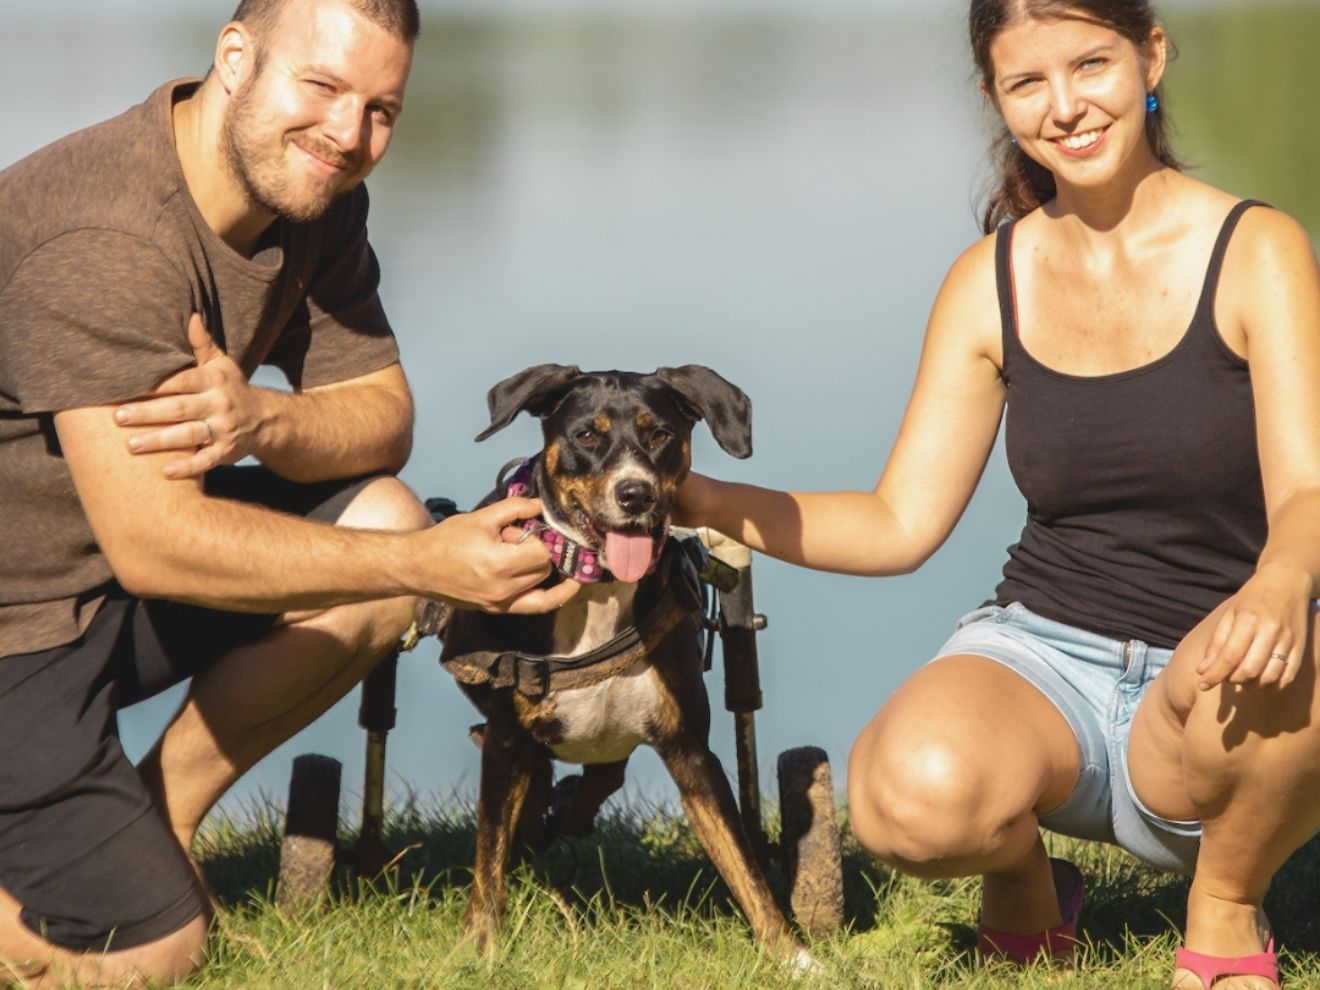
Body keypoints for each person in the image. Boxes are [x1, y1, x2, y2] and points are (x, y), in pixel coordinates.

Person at [677, 1, 1320, 987]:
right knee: (906, 800)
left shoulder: (1256, 251)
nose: (1066, 106)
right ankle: (1025, 879)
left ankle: (1225, 903)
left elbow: (1308, 490)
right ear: (996, 99)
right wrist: (701, 497)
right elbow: (899, 522)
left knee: (1286, 657)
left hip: (1215, 682)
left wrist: (1281, 580)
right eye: (1028, 82)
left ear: (1152, 54)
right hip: (1042, 661)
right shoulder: (991, 280)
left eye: (1091, 64)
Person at [0, 1, 578, 985]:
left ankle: (160, 821)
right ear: (235, 58)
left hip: (104, 592)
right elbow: (157, 545)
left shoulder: (310, 194)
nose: (350, 136)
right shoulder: (107, 236)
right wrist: (428, 564)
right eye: (322, 88)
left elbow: (383, 415)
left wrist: (261, 421)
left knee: (383, 517)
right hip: (19, 629)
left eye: (381, 110)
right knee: (156, 952)